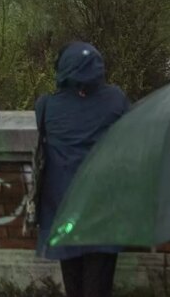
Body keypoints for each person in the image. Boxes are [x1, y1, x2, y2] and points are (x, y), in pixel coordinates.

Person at [35, 41, 130, 297]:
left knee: (73, 278)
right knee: (99, 280)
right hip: (102, 206)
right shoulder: (115, 99)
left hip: (63, 207)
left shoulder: (46, 106)